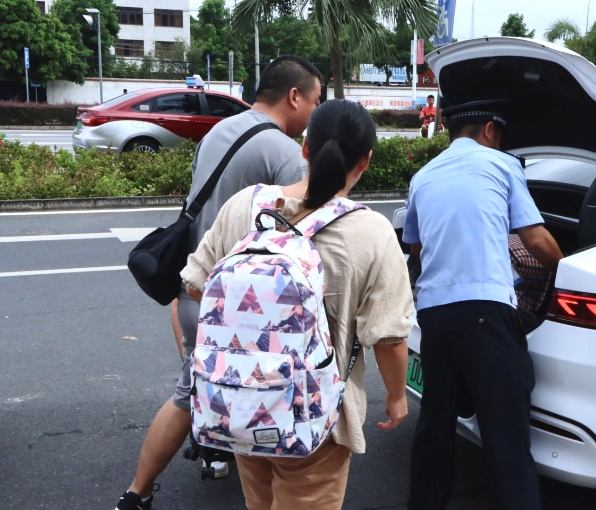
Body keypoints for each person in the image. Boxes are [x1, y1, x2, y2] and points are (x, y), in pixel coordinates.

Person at [180, 99, 413, 510]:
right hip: (315, 415)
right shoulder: (372, 231)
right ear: (366, 160)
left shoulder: (246, 205)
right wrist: (396, 396)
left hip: (242, 401)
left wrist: (256, 336)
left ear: (305, 147)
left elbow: (197, 285)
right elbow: (389, 336)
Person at [114, 55, 324, 510]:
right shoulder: (284, 153)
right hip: (239, 305)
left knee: (202, 384)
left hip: (193, 288)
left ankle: (195, 462)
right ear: (294, 96)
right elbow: (302, 234)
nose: (314, 113)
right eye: (315, 101)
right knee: (240, 392)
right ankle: (141, 490)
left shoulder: (218, 132)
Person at [404, 100, 563, 510]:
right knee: (507, 436)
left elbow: (417, 246)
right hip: (486, 313)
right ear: (490, 130)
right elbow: (535, 239)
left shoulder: (423, 176)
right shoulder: (503, 165)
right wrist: (569, 270)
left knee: (435, 428)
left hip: (434, 316)